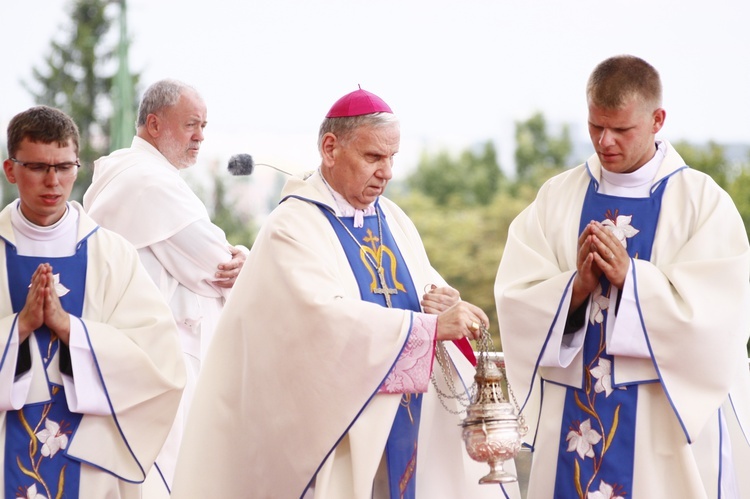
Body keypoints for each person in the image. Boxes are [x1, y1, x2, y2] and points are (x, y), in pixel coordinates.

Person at [170, 87, 520, 498]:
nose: (387, 172)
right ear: (330, 148)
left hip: (405, 422)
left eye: (392, 158)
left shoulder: (393, 218)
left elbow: (426, 289)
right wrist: (427, 327)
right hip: (335, 433)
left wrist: (447, 305)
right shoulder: (293, 227)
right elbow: (321, 324)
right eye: (374, 157)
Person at [494, 54, 750, 498]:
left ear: (657, 120)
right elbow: (517, 297)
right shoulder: (558, 197)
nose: (604, 142)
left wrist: (633, 281)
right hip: (572, 415)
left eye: (621, 130)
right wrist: (574, 290)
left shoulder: (701, 202)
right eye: (595, 126)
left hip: (658, 424)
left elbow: (719, 320)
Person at [0, 105, 185, 498]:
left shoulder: (111, 254)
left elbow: (159, 361)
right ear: (10, 170)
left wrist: (71, 330)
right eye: (37, 167)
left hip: (88, 460)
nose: (53, 181)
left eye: (64, 167)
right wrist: (20, 327)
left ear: (77, 167)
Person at [82, 79, 247, 494]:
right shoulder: (148, 181)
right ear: (154, 124)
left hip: (133, 348)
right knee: (168, 469)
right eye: (192, 124)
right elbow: (216, 264)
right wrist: (245, 257)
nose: (200, 136)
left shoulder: (123, 170)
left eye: (204, 126)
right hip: (164, 351)